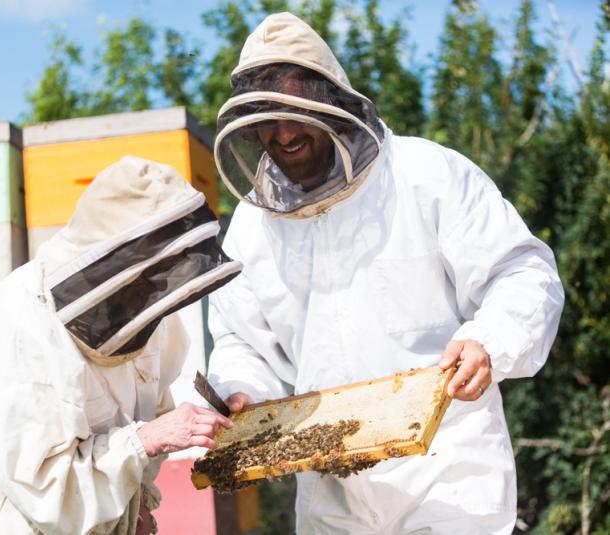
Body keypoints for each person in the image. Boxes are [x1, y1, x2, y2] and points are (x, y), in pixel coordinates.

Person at [207, 12, 564, 534]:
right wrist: (242, 391)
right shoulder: (250, 227)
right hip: (331, 494)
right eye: (267, 116)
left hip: (448, 476)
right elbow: (241, 341)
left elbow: (521, 271)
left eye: (295, 111)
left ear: (330, 103)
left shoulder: (426, 174)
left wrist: (489, 340)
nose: (282, 132)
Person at [0, 156, 241, 534]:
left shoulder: (147, 309)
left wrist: (140, 505)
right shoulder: (15, 333)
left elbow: (150, 413)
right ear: (121, 264)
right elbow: (50, 497)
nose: (159, 291)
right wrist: (146, 441)